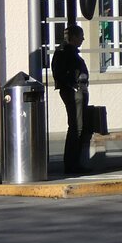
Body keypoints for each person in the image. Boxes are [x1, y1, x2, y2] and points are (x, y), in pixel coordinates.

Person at [51, 24, 91, 175]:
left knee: (77, 127)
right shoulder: (65, 52)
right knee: (76, 127)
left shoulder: (67, 51)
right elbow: (60, 73)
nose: (83, 39)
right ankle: (72, 164)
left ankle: (74, 163)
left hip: (75, 91)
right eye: (81, 36)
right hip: (73, 92)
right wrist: (74, 85)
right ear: (73, 37)